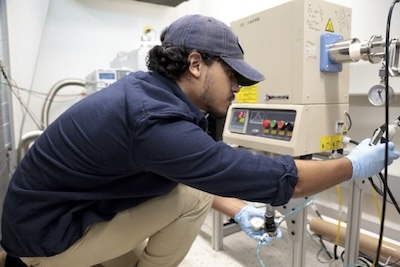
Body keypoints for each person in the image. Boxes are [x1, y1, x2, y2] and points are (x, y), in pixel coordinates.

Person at [1, 14, 399, 267]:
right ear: (195, 64)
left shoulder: (146, 93)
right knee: (190, 199)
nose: (238, 90)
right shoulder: (154, 120)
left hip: (50, 218)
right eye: (234, 77)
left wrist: (238, 210)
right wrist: (354, 165)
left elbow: (190, 169)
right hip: (44, 242)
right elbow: (283, 180)